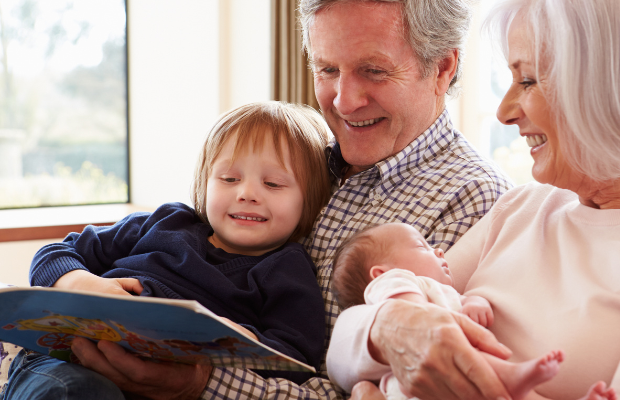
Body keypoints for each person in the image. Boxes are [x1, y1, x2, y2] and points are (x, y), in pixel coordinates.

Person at [55, 1, 513, 399]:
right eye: (327, 69)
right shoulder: (300, 157)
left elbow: (370, 390)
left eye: (373, 70)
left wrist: (199, 385)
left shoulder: (473, 202)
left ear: (443, 68)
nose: (344, 100)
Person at [327, 0, 620, 399]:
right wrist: (388, 330)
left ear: (611, 86)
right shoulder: (523, 208)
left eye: (527, 81)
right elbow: (344, 346)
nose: (505, 111)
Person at [3, 101, 331, 399]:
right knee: (81, 391)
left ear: (310, 200)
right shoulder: (167, 222)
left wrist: (234, 337)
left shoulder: (289, 270)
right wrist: (80, 282)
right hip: (64, 362)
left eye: (272, 184)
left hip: (162, 388)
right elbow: (56, 252)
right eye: (229, 178)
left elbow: (296, 360)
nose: (247, 193)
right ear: (205, 183)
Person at [331, 222, 617, 400]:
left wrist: (475, 303)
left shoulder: (442, 292)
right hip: (416, 384)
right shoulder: (397, 283)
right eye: (423, 246)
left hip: (453, 377)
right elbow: (413, 320)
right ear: (381, 273)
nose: (440, 250)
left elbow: (465, 301)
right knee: (483, 365)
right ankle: (514, 373)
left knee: (500, 383)